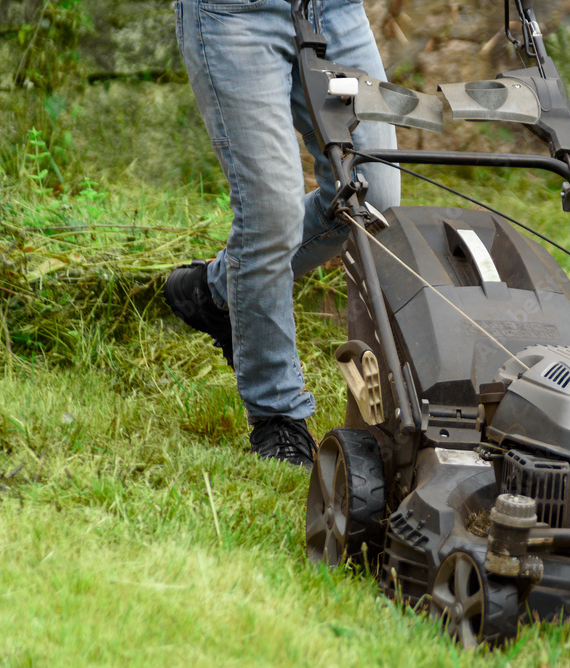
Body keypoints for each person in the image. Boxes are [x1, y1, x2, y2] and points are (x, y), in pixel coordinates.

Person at [165, 0, 400, 467]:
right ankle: (277, 411)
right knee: (270, 214)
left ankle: (218, 292)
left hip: (333, 8)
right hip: (234, 14)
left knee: (370, 198)